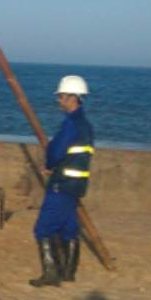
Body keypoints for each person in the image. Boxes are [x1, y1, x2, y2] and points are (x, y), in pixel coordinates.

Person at [30, 75, 95, 287]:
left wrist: (49, 166)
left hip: (62, 183)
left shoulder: (70, 125)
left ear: (72, 97)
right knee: (69, 228)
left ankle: (51, 274)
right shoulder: (85, 125)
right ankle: (68, 272)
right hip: (77, 185)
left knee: (43, 228)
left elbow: (56, 151)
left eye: (61, 96)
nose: (58, 100)